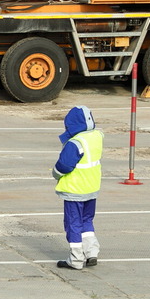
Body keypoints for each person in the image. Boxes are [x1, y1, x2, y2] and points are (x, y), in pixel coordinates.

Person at [53, 105, 103, 270]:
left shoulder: (75, 142)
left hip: (75, 190)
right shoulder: (96, 136)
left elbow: (64, 166)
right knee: (86, 220)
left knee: (73, 223)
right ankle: (91, 252)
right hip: (92, 187)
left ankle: (75, 259)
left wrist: (55, 174)